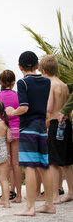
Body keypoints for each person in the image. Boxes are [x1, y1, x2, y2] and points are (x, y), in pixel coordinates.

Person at [6, 51, 56, 216]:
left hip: (28, 127)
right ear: (37, 66)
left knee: (29, 166)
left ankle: (30, 207)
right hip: (42, 127)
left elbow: (25, 107)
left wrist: (12, 112)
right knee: (44, 165)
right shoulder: (46, 82)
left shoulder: (23, 83)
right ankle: (49, 204)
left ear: (20, 67)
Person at [39, 55, 73, 204]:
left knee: (52, 161)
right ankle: (71, 192)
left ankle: (54, 195)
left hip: (54, 124)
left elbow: (49, 107)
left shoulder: (50, 84)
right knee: (66, 161)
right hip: (67, 124)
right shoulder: (64, 85)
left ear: (44, 70)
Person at [0, 70, 22, 203]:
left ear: (0, 82)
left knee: (6, 164)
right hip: (17, 130)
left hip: (4, 130)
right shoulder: (18, 95)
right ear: (13, 82)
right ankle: (19, 196)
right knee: (16, 164)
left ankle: (6, 195)